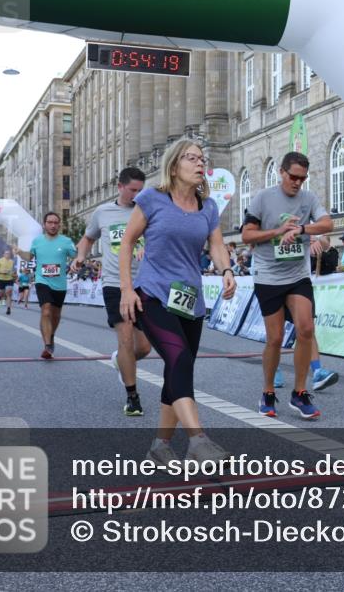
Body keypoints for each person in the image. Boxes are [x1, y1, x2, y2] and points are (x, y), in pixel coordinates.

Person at [119, 138, 237, 464]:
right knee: (180, 358)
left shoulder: (208, 207)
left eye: (202, 159)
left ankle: (160, 446)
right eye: (192, 158)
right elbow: (127, 242)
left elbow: (216, 245)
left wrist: (226, 269)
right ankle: (198, 440)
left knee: (179, 368)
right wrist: (127, 289)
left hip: (189, 300)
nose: (200, 163)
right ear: (174, 166)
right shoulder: (152, 198)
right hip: (152, 293)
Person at [242, 151, 336, 419]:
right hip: (268, 276)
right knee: (275, 339)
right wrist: (278, 231)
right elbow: (247, 235)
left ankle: (300, 392)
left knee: (306, 328)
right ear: (281, 172)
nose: (297, 183)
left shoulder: (309, 198)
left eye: (302, 178)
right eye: (293, 177)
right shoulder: (263, 198)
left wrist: (301, 230)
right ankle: (268, 392)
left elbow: (327, 223)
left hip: (297, 275)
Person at [72, 167, 152, 417]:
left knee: (144, 348)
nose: (137, 195)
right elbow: (88, 238)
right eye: (132, 190)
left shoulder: (147, 210)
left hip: (143, 283)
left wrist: (148, 247)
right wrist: (81, 256)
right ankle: (132, 397)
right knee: (125, 339)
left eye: (141, 191)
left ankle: (120, 360)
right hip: (115, 283)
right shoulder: (103, 212)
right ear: (120, 187)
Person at [12, 212, 77, 359]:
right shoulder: (37, 241)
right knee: (46, 311)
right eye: (50, 222)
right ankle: (47, 345)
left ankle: (51, 335)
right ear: (44, 224)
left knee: (56, 315)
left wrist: (76, 262)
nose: (53, 225)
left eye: (56, 223)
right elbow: (29, 256)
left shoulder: (66, 241)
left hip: (60, 283)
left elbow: (76, 256)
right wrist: (20, 252)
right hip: (42, 280)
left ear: (59, 225)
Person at [0, 249, 16, 315]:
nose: (7, 255)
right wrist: (2, 272)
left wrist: (13, 274)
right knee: (2, 293)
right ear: (3, 254)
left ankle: (8, 308)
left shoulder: (12, 261)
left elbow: (13, 270)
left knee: (9, 293)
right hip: (1, 279)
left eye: (9, 254)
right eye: (6, 253)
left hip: (10, 279)